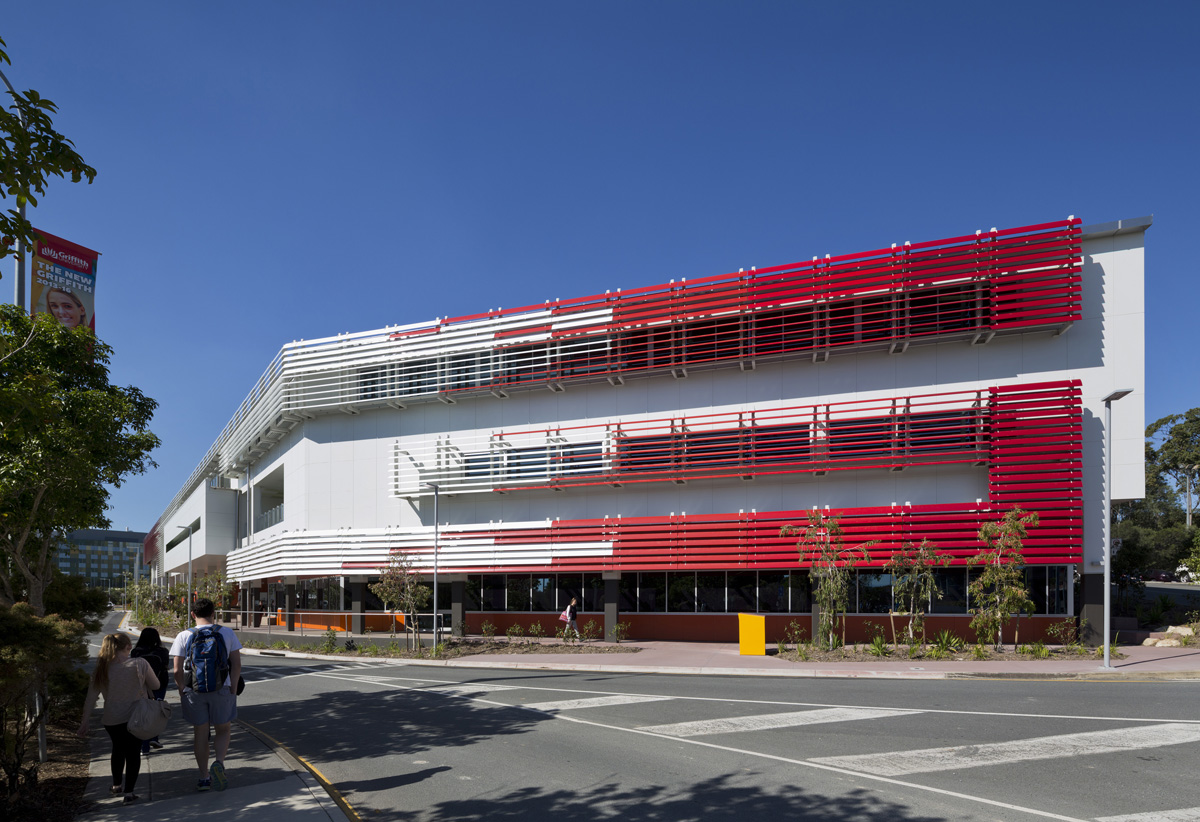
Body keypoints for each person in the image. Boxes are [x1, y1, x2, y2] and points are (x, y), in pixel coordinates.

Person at [76, 632, 160, 806]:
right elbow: (156, 685)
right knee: (133, 752)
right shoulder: (140, 664)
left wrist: (84, 721)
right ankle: (129, 793)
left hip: (112, 719)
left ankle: (116, 785)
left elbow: (91, 698)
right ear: (128, 647)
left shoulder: (101, 669)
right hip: (136, 718)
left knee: (118, 749)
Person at [170, 598, 242, 792]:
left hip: (194, 690)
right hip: (222, 689)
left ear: (193, 614)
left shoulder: (184, 635)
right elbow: (236, 664)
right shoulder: (226, 632)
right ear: (213, 613)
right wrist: (233, 688)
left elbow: (177, 669)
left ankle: (203, 777)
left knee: (200, 733)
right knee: (223, 730)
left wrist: (182, 690)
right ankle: (219, 762)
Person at [131, 628, 170, 753]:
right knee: (157, 710)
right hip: (159, 684)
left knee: (143, 712)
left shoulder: (136, 652)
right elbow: (165, 666)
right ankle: (155, 737)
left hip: (141, 685)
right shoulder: (163, 651)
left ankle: (144, 745)